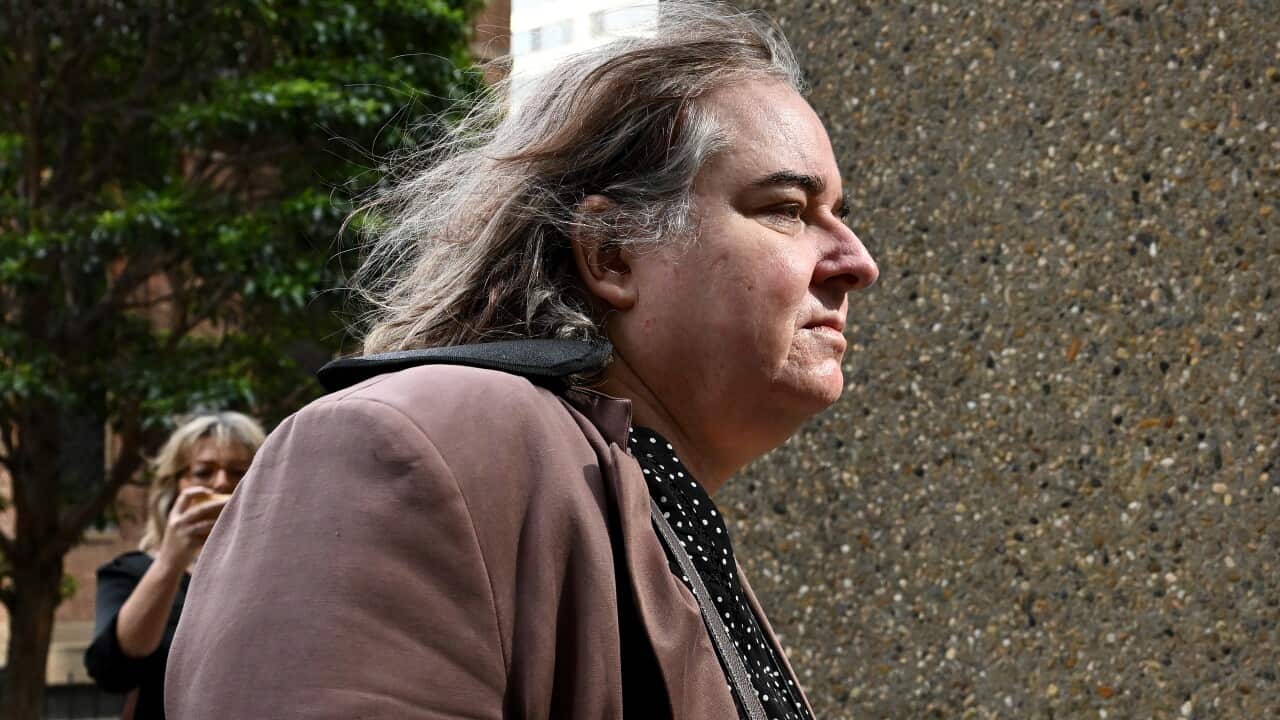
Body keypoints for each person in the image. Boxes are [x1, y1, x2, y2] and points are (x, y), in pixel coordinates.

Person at [166, 3, 878, 718]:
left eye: (841, 215)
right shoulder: (405, 442)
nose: (857, 262)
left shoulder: (665, 521)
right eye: (787, 207)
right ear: (612, 252)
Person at [84, 412, 265, 720]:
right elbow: (112, 672)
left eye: (239, 472)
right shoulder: (132, 572)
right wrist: (171, 560)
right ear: (177, 485)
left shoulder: (277, 573)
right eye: (204, 472)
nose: (222, 483)